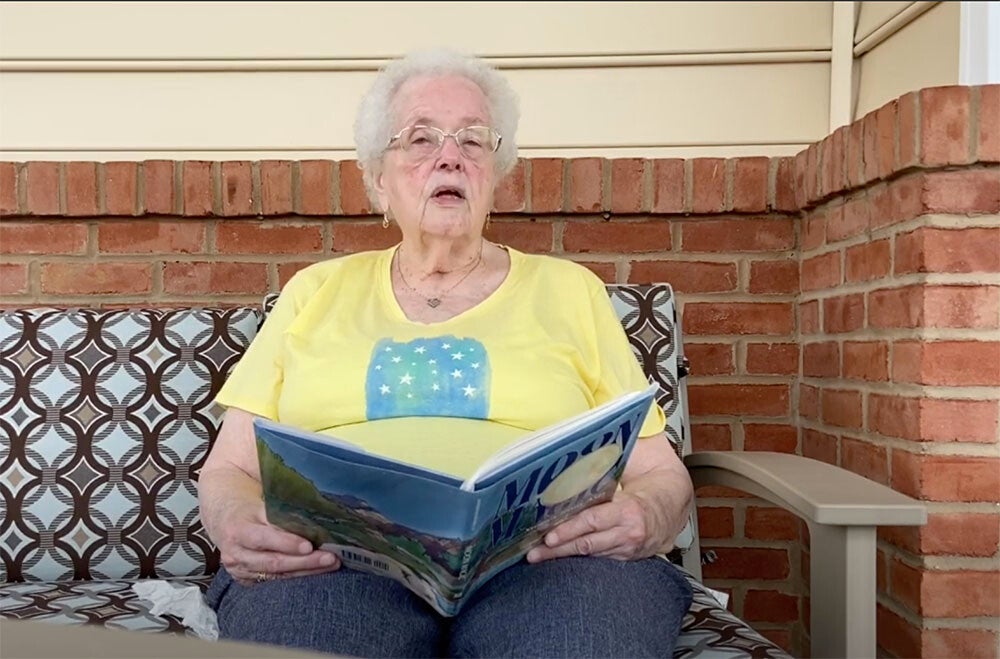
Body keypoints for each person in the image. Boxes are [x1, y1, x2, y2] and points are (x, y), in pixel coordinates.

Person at [199, 48, 694, 658]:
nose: (450, 155)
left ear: (494, 176)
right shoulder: (315, 292)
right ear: (379, 179)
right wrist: (236, 522)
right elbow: (229, 470)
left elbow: (661, 475)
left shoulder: (570, 292)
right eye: (420, 138)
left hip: (549, 559)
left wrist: (647, 513)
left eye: (473, 139)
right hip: (336, 560)